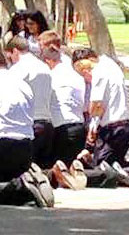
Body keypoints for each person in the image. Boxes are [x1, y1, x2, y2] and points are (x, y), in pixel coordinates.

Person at [0, 51, 55, 208]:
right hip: (23, 147)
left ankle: (21, 186)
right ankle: (27, 188)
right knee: (5, 188)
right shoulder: (24, 86)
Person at [73, 48, 129, 167]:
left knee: (103, 169)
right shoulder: (110, 65)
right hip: (123, 127)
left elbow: (96, 106)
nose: (85, 75)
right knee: (116, 165)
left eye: (84, 71)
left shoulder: (99, 71)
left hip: (114, 129)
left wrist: (92, 130)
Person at [5, 36, 55, 169]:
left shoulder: (18, 70)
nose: (10, 61)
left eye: (10, 56)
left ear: (15, 51)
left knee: (25, 170)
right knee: (43, 170)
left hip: (30, 125)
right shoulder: (44, 66)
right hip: (47, 123)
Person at [38, 31, 86, 167]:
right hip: (79, 124)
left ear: (48, 61)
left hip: (63, 128)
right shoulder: (71, 69)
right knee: (72, 168)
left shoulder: (53, 75)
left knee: (60, 170)